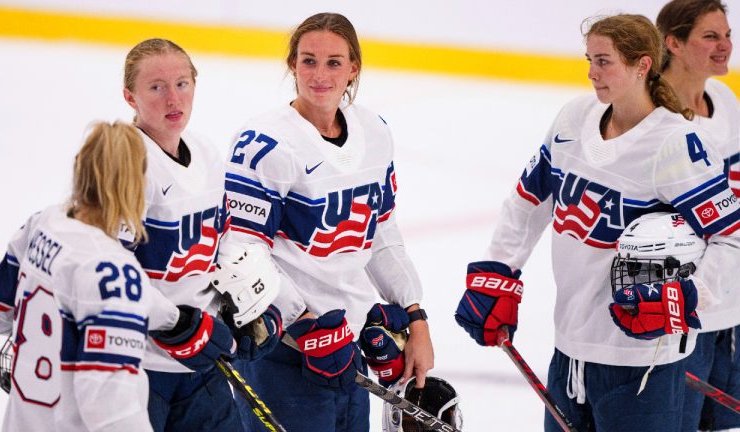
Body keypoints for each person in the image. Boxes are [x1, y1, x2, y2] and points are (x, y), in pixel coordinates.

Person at [454, 14, 740, 432]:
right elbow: (528, 200)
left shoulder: (673, 143)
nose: (591, 73)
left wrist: (688, 297)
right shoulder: (573, 118)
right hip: (569, 350)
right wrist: (500, 267)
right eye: (589, 60)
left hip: (644, 364)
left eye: (604, 61)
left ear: (642, 65)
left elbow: (731, 237)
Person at [223, 13, 435, 432]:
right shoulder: (263, 144)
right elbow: (240, 249)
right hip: (281, 354)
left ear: (354, 68)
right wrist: (304, 324)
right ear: (292, 65)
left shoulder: (374, 132)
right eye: (308, 61)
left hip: (348, 348)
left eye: (334, 62)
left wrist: (416, 316)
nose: (319, 75)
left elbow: (381, 231)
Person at [0, 121, 237, 431]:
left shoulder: (44, 225)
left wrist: (175, 321)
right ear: (134, 184)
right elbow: (111, 413)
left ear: (81, 167)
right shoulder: (114, 273)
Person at [121, 38, 280, 431]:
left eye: (182, 84)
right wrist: (172, 322)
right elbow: (105, 272)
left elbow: (222, 241)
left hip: (203, 360)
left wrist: (245, 307)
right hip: (136, 368)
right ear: (130, 96)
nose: (173, 98)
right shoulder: (124, 165)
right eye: (156, 87)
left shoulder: (206, 153)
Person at [656, 1, 740, 430]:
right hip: (681, 319)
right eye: (711, 36)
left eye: (726, 34)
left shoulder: (724, 99)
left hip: (733, 314)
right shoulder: (652, 119)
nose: (726, 45)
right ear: (673, 42)